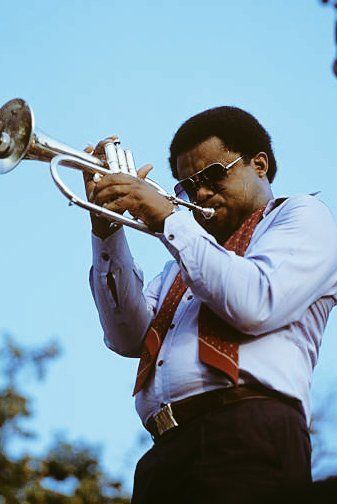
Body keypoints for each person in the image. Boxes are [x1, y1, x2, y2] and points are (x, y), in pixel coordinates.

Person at [85, 107, 337, 504]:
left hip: (249, 431)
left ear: (259, 165)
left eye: (214, 175)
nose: (200, 194)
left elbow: (255, 302)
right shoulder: (183, 260)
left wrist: (169, 218)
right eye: (188, 185)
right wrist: (106, 227)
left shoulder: (301, 216)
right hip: (163, 453)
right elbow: (125, 337)